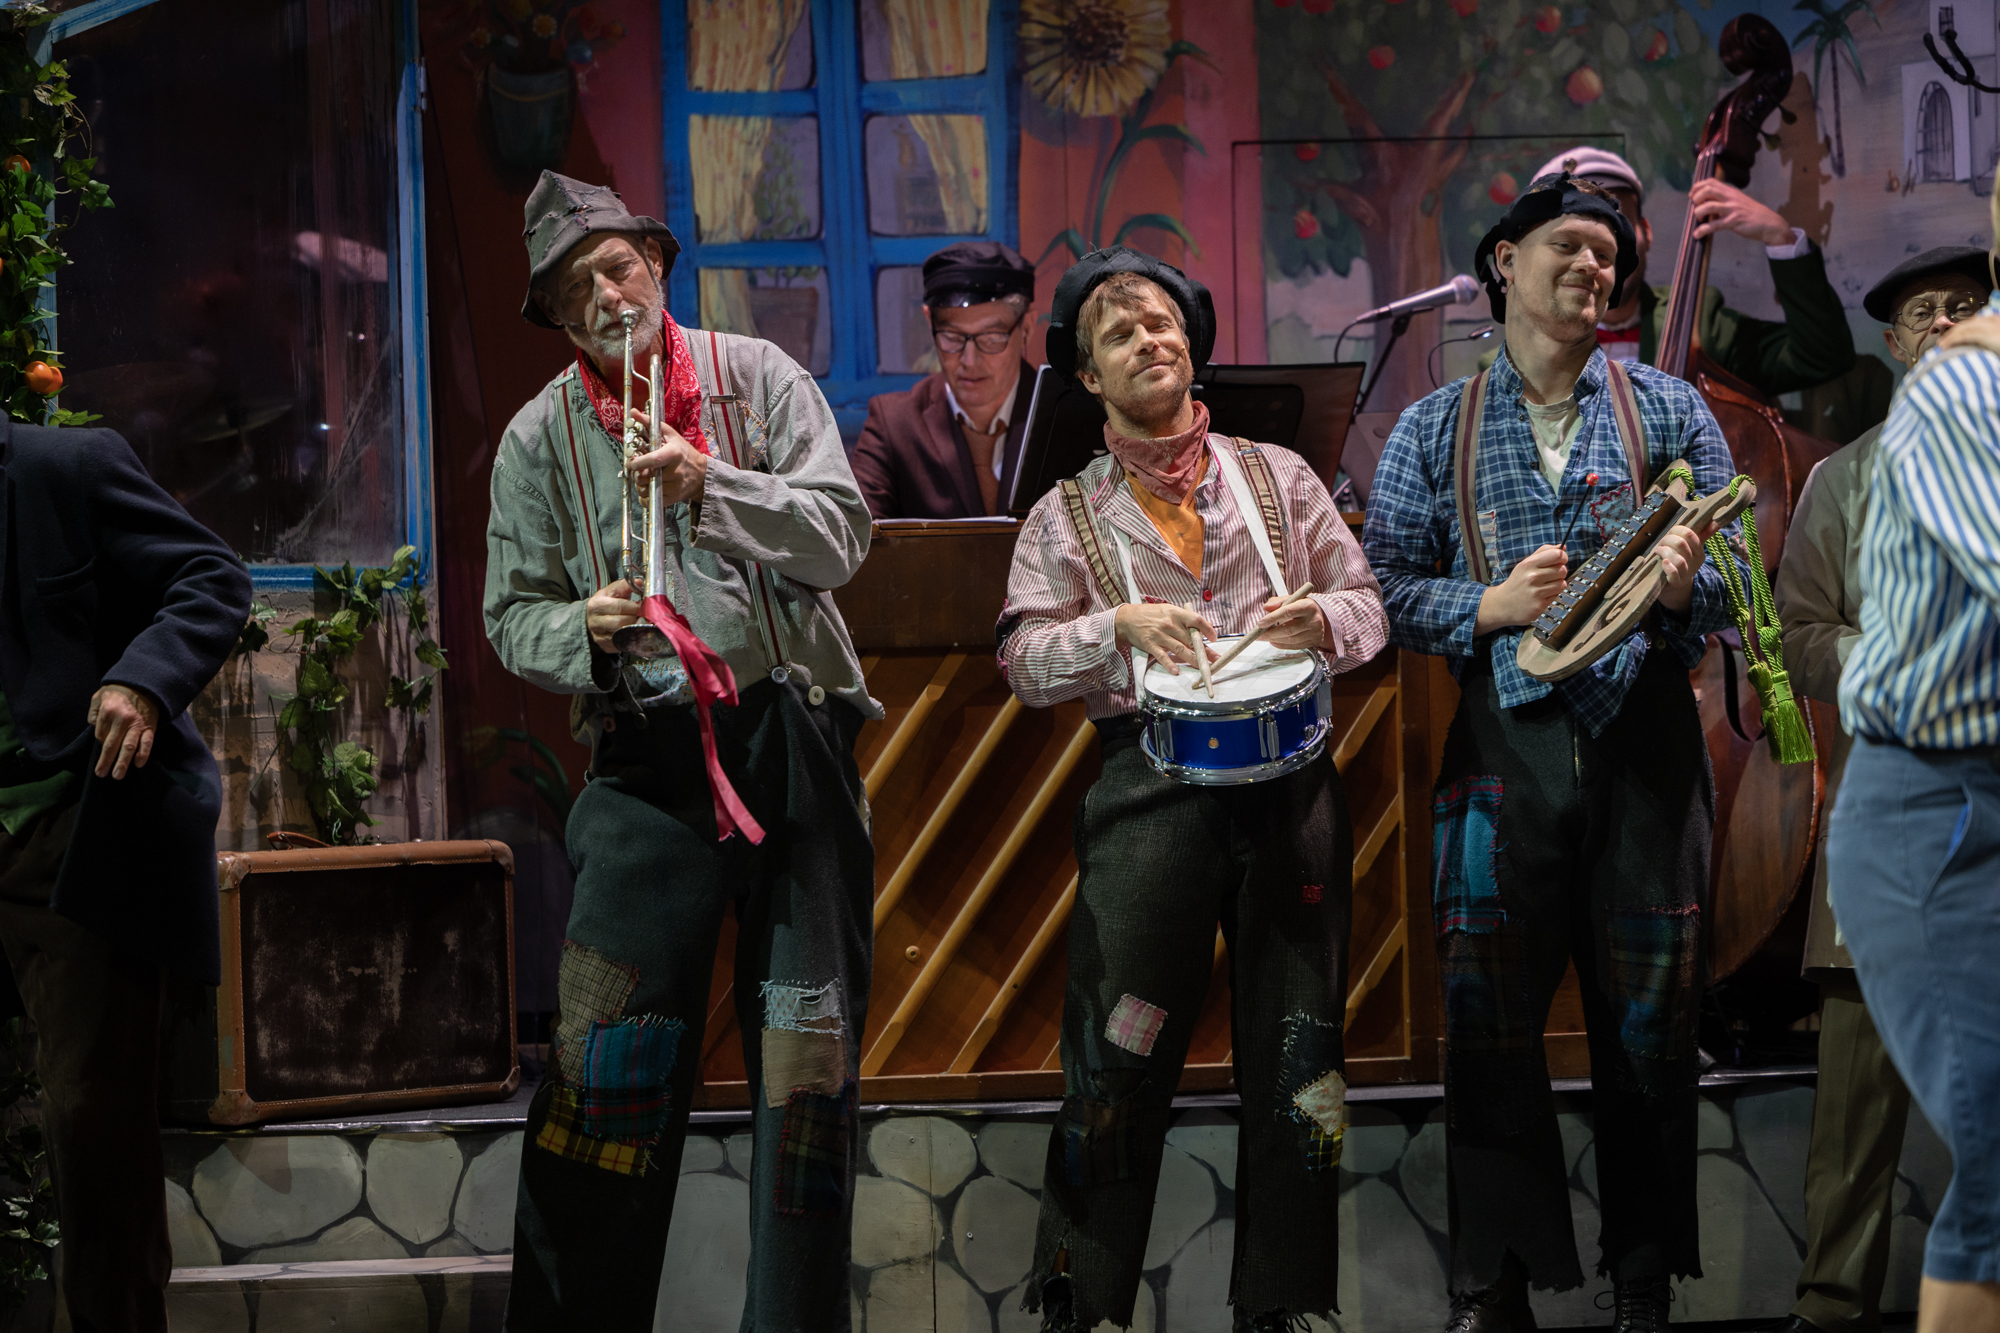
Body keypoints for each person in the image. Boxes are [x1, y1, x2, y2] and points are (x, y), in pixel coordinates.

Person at [484, 171, 878, 1329]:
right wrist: (583, 627)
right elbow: (510, 615)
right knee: (602, 1066)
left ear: (655, 265)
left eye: (616, 268)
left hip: (789, 741)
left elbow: (842, 537)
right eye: (575, 290)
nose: (605, 296)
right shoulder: (537, 439)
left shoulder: (757, 377)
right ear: (557, 321)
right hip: (644, 760)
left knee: (805, 1066)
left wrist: (715, 485)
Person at [1363, 173, 1746, 1333]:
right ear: (1502, 260)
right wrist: (1484, 605)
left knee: (1651, 1023)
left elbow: (1740, 575)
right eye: (1568, 246)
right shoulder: (1432, 424)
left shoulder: (1666, 409)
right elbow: (1382, 588)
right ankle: (1498, 1282)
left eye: (1607, 258)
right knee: (1484, 1023)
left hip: (1645, 750)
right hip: (1500, 748)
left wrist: (1681, 589)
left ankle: (1641, 1285)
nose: (1591, 269)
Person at [1000, 247, 1388, 1332]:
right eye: (1120, 333)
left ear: (1192, 343)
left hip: (1293, 793)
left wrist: (1322, 620)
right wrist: (1113, 628)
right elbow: (1022, 661)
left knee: (1300, 1049)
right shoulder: (1065, 514)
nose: (1149, 342)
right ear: (1087, 375)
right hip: (1148, 791)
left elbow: (1368, 606)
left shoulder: (1278, 476)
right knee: (1115, 1047)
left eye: (1162, 323)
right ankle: (1079, 1299)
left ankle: (1285, 1303)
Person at [1768, 245, 1993, 1333]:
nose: (1945, 323)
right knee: (1855, 1114)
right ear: (1896, 346)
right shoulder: (1845, 477)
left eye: (1967, 305)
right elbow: (1796, 634)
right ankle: (1830, 1307)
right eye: (1922, 315)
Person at [0, 417, 250, 1330]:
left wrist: (143, 678)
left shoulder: (63, 466)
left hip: (72, 834)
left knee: (91, 1124)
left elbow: (212, 575)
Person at [1530, 145, 1854, 393]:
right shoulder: (1518, 355)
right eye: (1568, 242)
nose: (1595, 254)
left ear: (1646, 232)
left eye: (1617, 226)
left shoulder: (1699, 321)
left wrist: (1781, 239)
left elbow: (1822, 358)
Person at [851, 240, 1037, 519]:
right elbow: (856, 535)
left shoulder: (1066, 417)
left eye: (991, 337)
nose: (969, 360)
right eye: (952, 337)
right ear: (929, 323)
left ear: (1027, 328)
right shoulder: (895, 425)